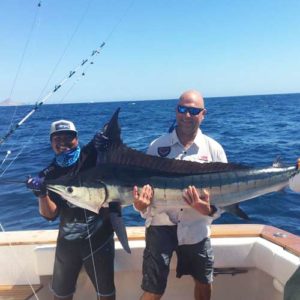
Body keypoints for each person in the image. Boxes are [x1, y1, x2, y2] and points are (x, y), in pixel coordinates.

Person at [133, 90, 228, 300]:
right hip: (159, 227)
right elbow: (144, 193)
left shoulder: (214, 149)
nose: (187, 115)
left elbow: (226, 193)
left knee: (204, 283)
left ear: (203, 114)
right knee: (153, 289)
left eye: (193, 111)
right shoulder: (157, 146)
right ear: (176, 111)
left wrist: (210, 210)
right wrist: (140, 207)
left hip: (197, 228)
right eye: (182, 109)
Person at [26, 120, 115, 300]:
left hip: (100, 240)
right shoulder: (48, 175)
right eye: (57, 138)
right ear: (51, 142)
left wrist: (108, 145)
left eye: (69, 137)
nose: (63, 142)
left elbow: (112, 162)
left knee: (106, 295)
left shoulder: (93, 157)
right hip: (67, 244)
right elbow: (50, 215)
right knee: (61, 295)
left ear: (77, 138)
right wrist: (42, 195)